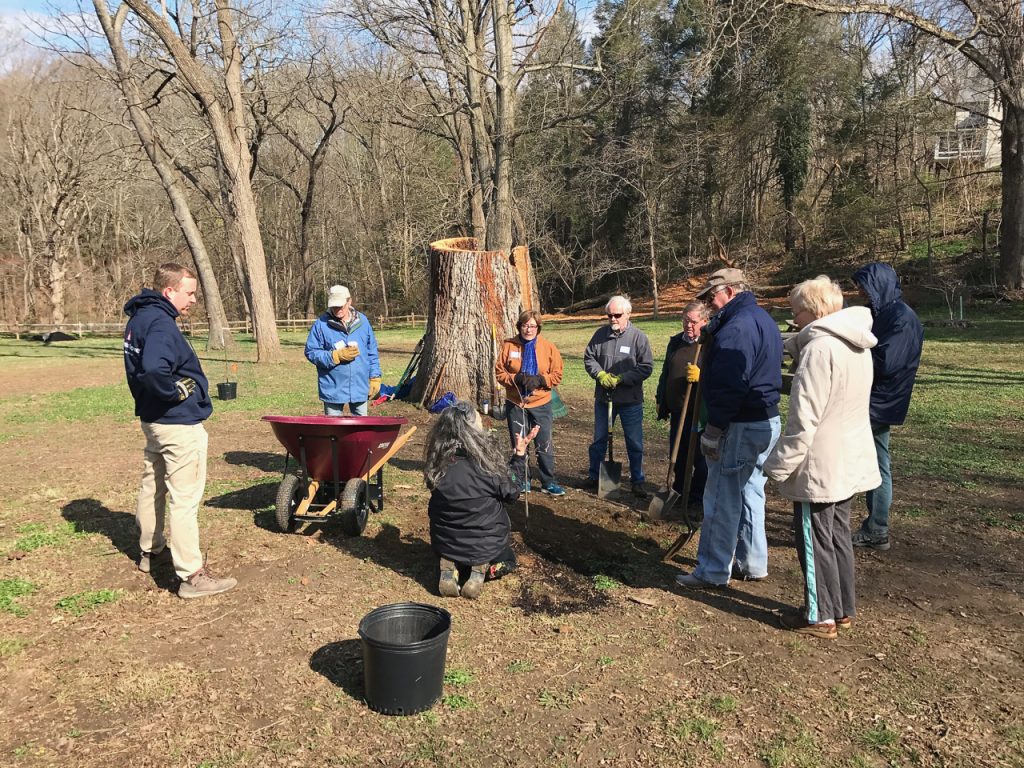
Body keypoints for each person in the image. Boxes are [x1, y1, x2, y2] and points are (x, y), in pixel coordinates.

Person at [763, 276, 881, 639]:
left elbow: (804, 420)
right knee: (838, 535)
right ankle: (842, 609)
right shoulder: (856, 344)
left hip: (820, 463)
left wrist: (777, 466)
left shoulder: (819, 350)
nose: (794, 319)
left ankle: (820, 616)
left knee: (814, 542)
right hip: (848, 458)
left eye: (796, 312)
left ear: (813, 311)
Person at [123, 263, 237, 599]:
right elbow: (153, 370)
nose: (193, 300)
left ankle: (150, 549)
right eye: (189, 293)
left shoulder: (139, 318)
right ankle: (192, 576)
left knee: (153, 485)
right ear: (169, 290)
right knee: (184, 499)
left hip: (153, 421)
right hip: (177, 425)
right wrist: (174, 392)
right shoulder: (160, 323)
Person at [676, 268, 783, 588]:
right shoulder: (762, 319)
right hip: (765, 420)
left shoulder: (737, 328)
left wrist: (714, 429)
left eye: (712, 296)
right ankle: (752, 563)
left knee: (721, 496)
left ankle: (712, 570)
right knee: (750, 491)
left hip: (740, 423)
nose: (709, 302)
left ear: (730, 291)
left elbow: (730, 385)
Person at [423, 400, 539, 599]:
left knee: (455, 542)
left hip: (445, 543)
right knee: (509, 560)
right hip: (487, 545)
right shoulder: (487, 466)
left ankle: (452, 566)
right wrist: (519, 457)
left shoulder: (437, 464)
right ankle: (482, 570)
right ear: (473, 430)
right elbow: (512, 493)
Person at [850, 263, 924, 551]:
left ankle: (877, 528)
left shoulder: (901, 319)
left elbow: (885, 363)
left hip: (879, 401)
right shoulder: (883, 312)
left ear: (879, 285)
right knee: (871, 461)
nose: (860, 292)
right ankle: (873, 525)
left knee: (876, 464)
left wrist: (850, 355)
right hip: (872, 398)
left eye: (864, 286)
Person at [583, 295, 654, 498]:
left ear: (628, 314)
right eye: (609, 315)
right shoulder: (600, 335)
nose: (613, 319)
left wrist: (623, 378)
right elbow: (589, 358)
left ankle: (637, 481)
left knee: (634, 442)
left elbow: (646, 367)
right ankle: (594, 476)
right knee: (599, 440)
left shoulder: (638, 338)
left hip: (630, 401)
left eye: (617, 315)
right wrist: (600, 374)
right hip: (604, 400)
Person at [495, 310, 566, 495]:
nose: (528, 329)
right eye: (525, 325)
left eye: (533, 326)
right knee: (519, 441)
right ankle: (523, 479)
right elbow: (500, 372)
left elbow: (557, 374)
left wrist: (541, 380)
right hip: (516, 402)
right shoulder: (509, 346)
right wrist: (516, 378)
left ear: (538, 328)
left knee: (544, 443)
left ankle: (548, 481)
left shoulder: (548, 347)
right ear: (519, 326)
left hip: (541, 402)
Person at [655, 301, 709, 513]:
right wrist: (661, 398)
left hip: (699, 412)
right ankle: (677, 490)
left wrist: (702, 376)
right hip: (679, 409)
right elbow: (666, 372)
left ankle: (697, 497)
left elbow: (720, 375)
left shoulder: (709, 344)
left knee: (700, 458)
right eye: (685, 320)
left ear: (704, 321)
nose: (688, 325)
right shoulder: (676, 342)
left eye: (693, 321)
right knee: (678, 453)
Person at [304, 285, 382, 416]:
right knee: (333, 428)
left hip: (360, 386)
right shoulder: (321, 325)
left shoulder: (363, 322)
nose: (338, 310)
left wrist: (375, 376)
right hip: (332, 387)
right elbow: (311, 352)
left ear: (349, 301)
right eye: (334, 306)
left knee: (361, 427)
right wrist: (335, 356)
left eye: (341, 306)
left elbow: (371, 351)